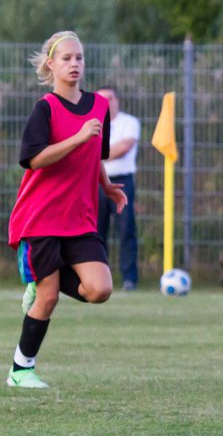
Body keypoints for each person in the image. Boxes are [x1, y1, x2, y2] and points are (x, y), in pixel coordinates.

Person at [8, 31, 127, 388]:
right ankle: (20, 370)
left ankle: (48, 277)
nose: (74, 64)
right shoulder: (45, 108)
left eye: (79, 58)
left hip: (79, 218)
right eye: (66, 59)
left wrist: (106, 186)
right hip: (41, 216)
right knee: (46, 298)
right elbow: (33, 160)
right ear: (50, 64)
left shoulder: (99, 107)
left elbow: (94, 154)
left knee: (99, 289)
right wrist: (75, 137)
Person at [95, 86, 140, 291]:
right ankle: (98, 280)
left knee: (126, 231)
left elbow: (124, 147)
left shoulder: (129, 123)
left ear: (117, 100)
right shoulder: (91, 125)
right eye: (102, 99)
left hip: (122, 182)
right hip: (96, 183)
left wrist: (97, 153)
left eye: (110, 98)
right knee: (96, 233)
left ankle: (129, 279)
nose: (107, 102)